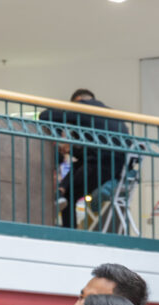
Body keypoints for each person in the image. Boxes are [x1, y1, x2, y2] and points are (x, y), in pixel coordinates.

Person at [40, 89, 127, 225]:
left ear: (78, 100)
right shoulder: (111, 114)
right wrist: (71, 149)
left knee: (69, 196)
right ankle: (60, 191)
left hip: (101, 165)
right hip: (119, 169)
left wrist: (57, 137)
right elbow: (91, 154)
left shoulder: (83, 107)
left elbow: (45, 115)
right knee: (76, 169)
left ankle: (70, 235)